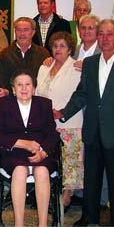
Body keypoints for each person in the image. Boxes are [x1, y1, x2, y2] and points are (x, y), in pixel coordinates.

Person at [54, 19, 114, 227]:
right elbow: (82, 94)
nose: (104, 38)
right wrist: (63, 113)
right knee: (91, 180)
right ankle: (88, 217)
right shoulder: (91, 63)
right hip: (93, 131)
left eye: (109, 34)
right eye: (101, 34)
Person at [0, 70, 60, 227]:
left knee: (42, 171)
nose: (24, 88)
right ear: (13, 89)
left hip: (40, 153)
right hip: (14, 154)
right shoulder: (4, 104)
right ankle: (18, 224)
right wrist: (21, 142)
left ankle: (43, 224)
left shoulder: (44, 104)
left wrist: (44, 152)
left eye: (28, 84)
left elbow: (53, 135)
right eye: (19, 85)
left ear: (34, 88)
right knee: (20, 170)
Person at [36, 32, 83, 211]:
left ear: (70, 49)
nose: (58, 49)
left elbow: (77, 96)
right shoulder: (44, 67)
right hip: (46, 124)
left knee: (70, 161)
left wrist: (61, 112)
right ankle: (49, 194)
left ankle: (66, 197)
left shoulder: (77, 68)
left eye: (62, 46)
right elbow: (37, 94)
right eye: (55, 46)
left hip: (68, 122)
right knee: (51, 162)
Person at [0, 17, 50, 95]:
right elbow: (2, 80)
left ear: (33, 32)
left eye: (26, 30)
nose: (22, 34)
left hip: (36, 99)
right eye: (19, 30)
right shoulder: (5, 54)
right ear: (15, 32)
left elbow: (46, 81)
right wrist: (8, 92)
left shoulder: (43, 53)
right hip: (13, 99)